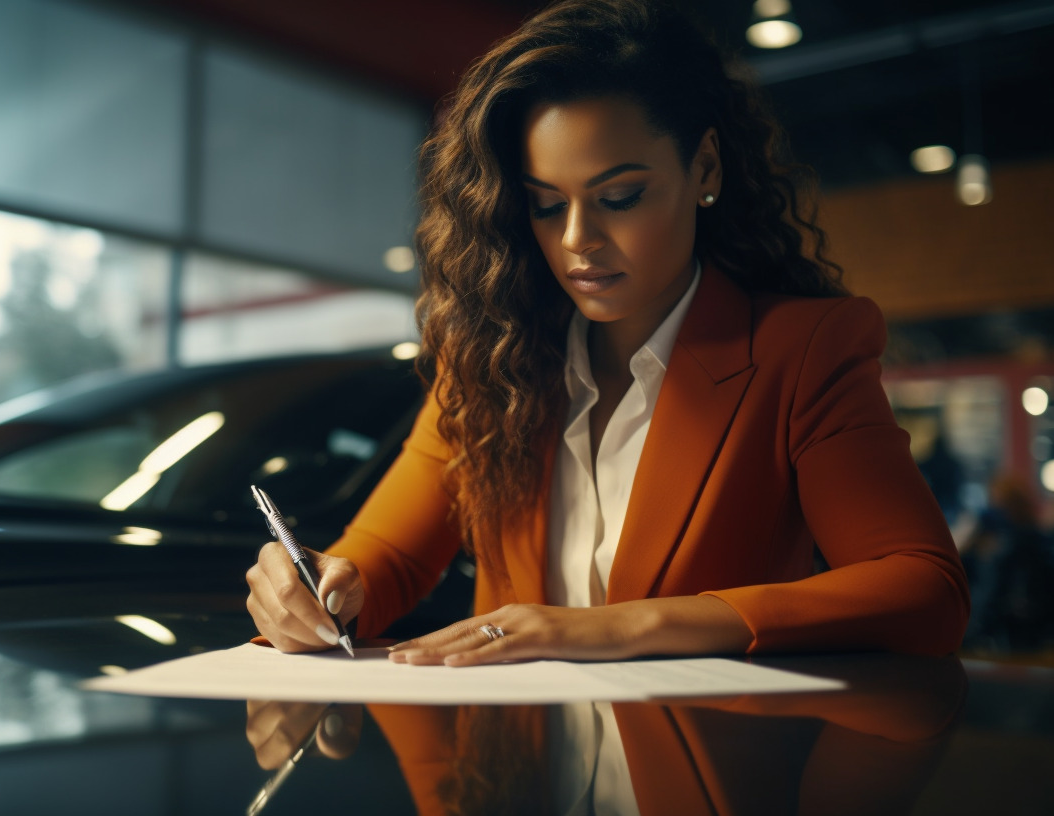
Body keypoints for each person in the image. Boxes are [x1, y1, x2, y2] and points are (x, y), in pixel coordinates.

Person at [245, 0, 969, 666]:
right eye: (543, 206)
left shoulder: (801, 352)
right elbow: (386, 562)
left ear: (705, 167)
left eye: (619, 197)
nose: (577, 241)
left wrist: (625, 625)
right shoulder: (494, 360)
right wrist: (315, 592)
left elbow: (922, 589)